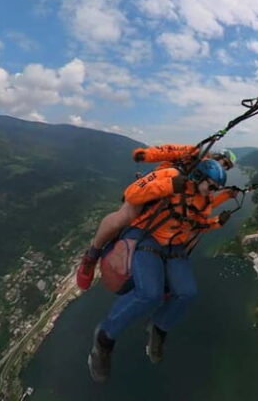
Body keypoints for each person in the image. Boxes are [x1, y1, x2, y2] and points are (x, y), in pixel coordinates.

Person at [88, 158, 236, 382]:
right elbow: (134, 194)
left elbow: (198, 222)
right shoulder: (173, 180)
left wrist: (218, 220)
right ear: (199, 177)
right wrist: (169, 186)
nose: (213, 192)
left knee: (187, 293)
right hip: (149, 238)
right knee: (149, 293)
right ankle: (104, 338)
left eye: (216, 189)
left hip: (174, 245)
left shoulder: (202, 200)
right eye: (212, 186)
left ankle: (159, 327)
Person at [75, 146, 237, 290]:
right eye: (224, 162)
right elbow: (169, 151)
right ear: (218, 155)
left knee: (191, 234)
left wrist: (226, 196)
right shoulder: (196, 153)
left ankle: (166, 275)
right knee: (127, 214)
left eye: (227, 167)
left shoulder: (210, 177)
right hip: (160, 186)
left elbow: (200, 207)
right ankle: (92, 255)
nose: (224, 167)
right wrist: (146, 155)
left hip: (177, 202)